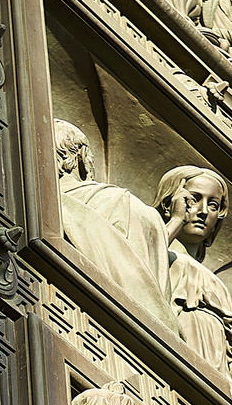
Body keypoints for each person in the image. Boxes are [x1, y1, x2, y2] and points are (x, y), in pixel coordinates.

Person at [54, 119, 172, 325]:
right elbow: (152, 289)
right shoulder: (121, 202)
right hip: (128, 325)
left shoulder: (31, 201)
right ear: (81, 156)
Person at [155, 165, 232, 371]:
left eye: (213, 205)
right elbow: (138, 262)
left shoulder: (216, 284)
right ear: (170, 203)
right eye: (193, 199)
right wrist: (176, 220)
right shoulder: (157, 249)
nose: (203, 212)